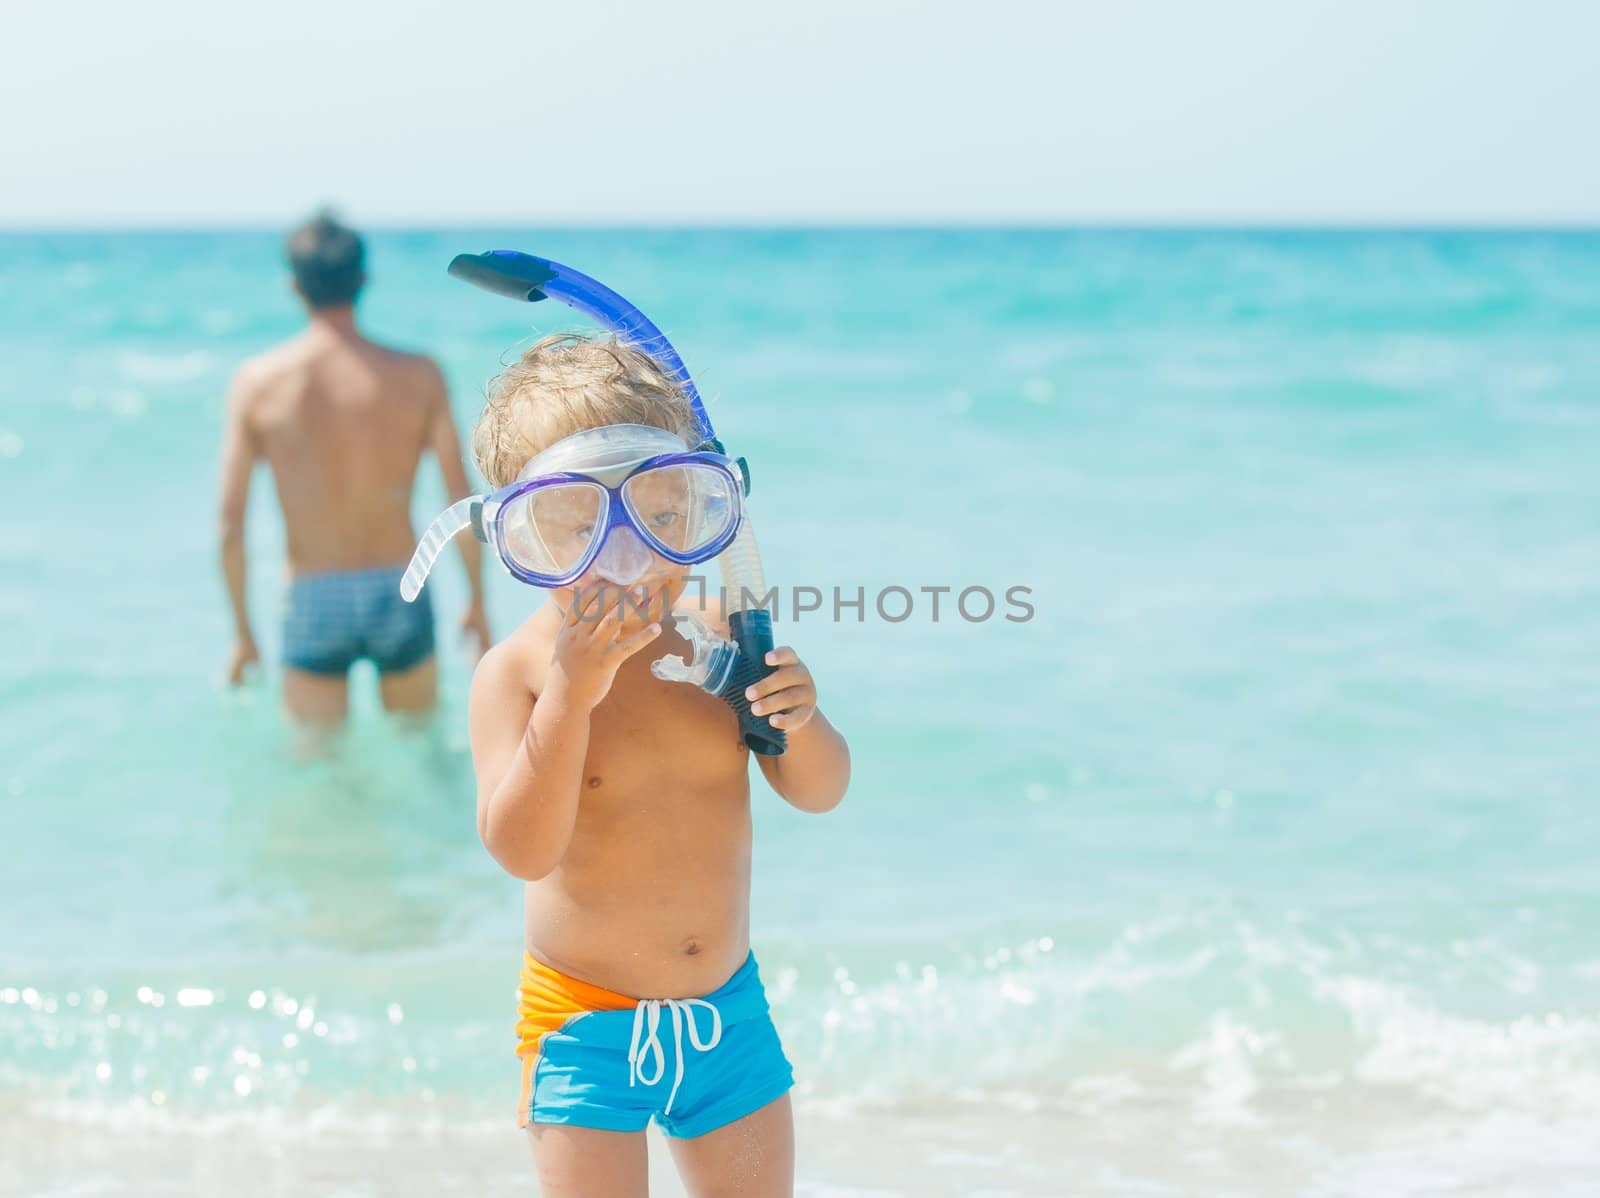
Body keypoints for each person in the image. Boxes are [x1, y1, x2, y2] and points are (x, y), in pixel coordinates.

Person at [415, 333, 850, 1197]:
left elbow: (821, 791)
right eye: (577, 527)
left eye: (658, 515)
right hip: (583, 1028)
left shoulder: (719, 636)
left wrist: (802, 719)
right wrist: (571, 700)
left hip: (730, 1023)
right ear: (524, 536)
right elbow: (522, 851)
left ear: (696, 505)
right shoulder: (518, 677)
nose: (623, 555)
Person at [216, 213, 489, 728]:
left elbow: (230, 526)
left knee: (316, 768)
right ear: (363, 281)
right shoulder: (419, 376)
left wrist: (242, 633)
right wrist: (477, 603)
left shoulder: (257, 383)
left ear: (294, 286)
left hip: (312, 594)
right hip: (401, 584)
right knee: (421, 750)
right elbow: (460, 502)